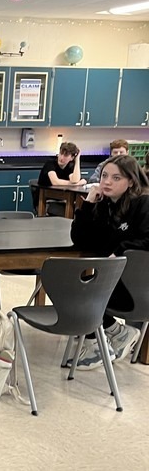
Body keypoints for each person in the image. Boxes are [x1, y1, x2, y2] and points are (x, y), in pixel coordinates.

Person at [69, 154, 149, 370]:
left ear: (131, 181)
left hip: (136, 288)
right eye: (104, 176)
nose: (106, 182)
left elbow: (146, 240)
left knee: (81, 291)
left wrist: (121, 250)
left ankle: (98, 344)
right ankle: (114, 333)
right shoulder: (105, 204)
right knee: (72, 286)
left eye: (116, 178)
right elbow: (80, 240)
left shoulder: (143, 203)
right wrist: (88, 204)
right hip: (112, 281)